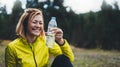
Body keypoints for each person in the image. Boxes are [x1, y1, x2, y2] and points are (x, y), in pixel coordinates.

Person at [5, 8, 74, 67]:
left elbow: (68, 59)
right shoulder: (12, 47)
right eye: (34, 22)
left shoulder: (45, 41)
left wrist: (60, 41)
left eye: (40, 23)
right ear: (25, 24)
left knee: (61, 58)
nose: (38, 26)